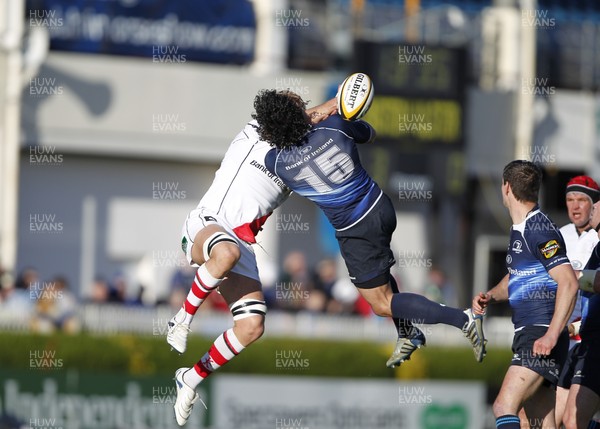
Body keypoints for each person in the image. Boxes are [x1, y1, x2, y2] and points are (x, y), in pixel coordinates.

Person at [254, 89, 487, 369]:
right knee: (384, 279)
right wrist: (329, 113)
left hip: (356, 231)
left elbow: (285, 139)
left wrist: (307, 118)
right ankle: (406, 333)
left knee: (381, 304)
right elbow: (369, 133)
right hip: (380, 207)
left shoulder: (276, 163)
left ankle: (463, 319)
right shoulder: (334, 125)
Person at [167, 95, 339, 426]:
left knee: (251, 326)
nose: (304, 108)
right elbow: (318, 112)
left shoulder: (296, 153)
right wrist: (338, 101)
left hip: (241, 244)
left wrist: (344, 104)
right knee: (226, 252)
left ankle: (190, 377)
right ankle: (181, 319)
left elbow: (315, 118)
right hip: (207, 223)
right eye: (298, 106)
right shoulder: (255, 131)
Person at [472, 160, 579, 429]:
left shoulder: (538, 228)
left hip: (540, 335)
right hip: (530, 334)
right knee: (539, 422)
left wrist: (552, 334)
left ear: (506, 188)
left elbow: (569, 283)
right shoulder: (522, 229)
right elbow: (518, 278)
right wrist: (490, 295)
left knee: (503, 406)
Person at [555, 175, 600, 427]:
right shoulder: (560, 236)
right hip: (561, 338)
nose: (575, 206)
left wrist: (573, 277)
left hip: (586, 336)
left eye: (582, 200)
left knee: (572, 419)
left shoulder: (597, 239)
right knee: (555, 418)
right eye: (570, 199)